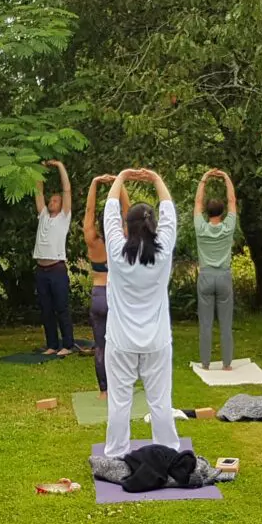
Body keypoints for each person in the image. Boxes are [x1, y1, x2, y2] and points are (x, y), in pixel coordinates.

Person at [103, 168, 181, 458]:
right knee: (160, 401)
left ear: (128, 225)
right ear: (153, 225)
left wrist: (121, 177)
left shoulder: (116, 250)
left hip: (121, 341)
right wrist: (157, 179)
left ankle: (115, 454)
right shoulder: (162, 253)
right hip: (156, 341)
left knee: (119, 401)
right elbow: (170, 214)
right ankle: (167, 450)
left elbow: (109, 215)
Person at [83, 174, 130, 400]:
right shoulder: (122, 239)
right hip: (117, 296)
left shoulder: (93, 240)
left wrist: (94, 184)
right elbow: (128, 212)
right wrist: (119, 184)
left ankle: (104, 390)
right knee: (122, 344)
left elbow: (89, 214)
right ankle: (122, 386)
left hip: (99, 294)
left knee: (101, 345)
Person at [194, 169, 238, 371]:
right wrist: (226, 178)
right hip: (223, 276)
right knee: (226, 323)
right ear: (221, 212)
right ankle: (227, 364)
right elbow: (232, 201)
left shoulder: (201, 228)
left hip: (205, 276)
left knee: (205, 323)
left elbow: (196, 203)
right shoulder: (228, 227)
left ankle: (205, 364)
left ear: (207, 212)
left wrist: (204, 178)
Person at [33, 159, 75, 356]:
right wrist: (40, 169)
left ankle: (67, 344)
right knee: (46, 309)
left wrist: (59, 166)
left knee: (61, 307)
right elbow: (38, 191)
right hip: (41, 269)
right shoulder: (42, 215)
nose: (52, 201)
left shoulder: (64, 217)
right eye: (51, 200)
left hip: (57, 268)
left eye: (55, 200)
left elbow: (67, 190)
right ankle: (52, 344)